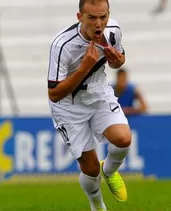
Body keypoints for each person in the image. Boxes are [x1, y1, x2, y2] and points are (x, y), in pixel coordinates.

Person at [47, 0, 131, 210]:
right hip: (69, 107)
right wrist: (84, 67)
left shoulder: (113, 30)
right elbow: (54, 94)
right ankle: (98, 206)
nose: (99, 23)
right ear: (80, 17)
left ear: (108, 14)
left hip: (99, 93)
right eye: (92, 17)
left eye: (103, 17)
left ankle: (110, 171)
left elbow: (119, 61)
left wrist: (117, 61)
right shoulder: (62, 45)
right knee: (90, 169)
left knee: (123, 140)